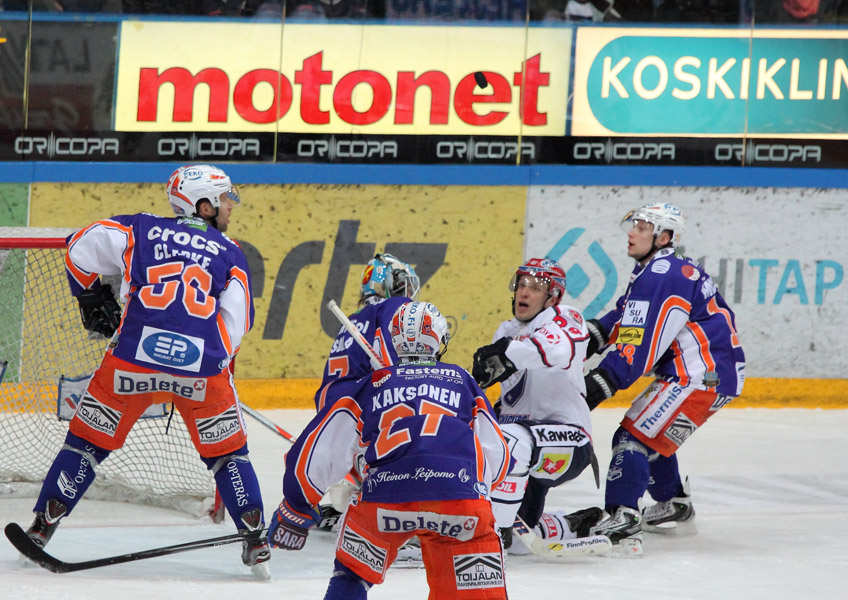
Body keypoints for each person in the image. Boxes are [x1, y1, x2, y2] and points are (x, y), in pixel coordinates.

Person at [23, 165, 270, 578]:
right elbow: (237, 321)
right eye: (224, 198)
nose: (230, 206)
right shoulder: (230, 251)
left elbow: (79, 246)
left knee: (85, 445)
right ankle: (256, 538)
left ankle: (43, 526)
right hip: (202, 375)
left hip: (131, 363)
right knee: (228, 457)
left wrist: (89, 296)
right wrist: (212, 362)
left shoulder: (139, 228)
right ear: (204, 205)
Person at [267, 301, 511, 600]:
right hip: (459, 500)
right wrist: (470, 488)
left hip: (385, 501)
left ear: (393, 340)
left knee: (351, 575)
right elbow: (497, 454)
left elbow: (322, 448)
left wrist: (296, 506)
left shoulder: (370, 384)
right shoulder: (463, 381)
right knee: (473, 592)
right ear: (442, 341)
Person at [581, 203, 746, 555]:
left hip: (698, 376)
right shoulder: (658, 270)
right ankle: (674, 504)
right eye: (634, 225)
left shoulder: (662, 273)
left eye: (642, 227)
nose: (632, 232)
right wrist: (584, 338)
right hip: (711, 375)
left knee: (632, 437)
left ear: (664, 237)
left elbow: (640, 341)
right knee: (650, 435)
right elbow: (625, 315)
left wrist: (602, 381)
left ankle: (622, 516)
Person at [471, 258, 602, 554]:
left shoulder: (564, 317)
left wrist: (505, 355)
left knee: (513, 437)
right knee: (520, 545)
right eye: (522, 284)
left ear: (552, 297)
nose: (524, 292)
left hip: (569, 441)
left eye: (535, 287)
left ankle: (494, 535)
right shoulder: (504, 332)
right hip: (521, 454)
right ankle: (571, 523)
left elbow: (554, 350)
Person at [313, 253, 420, 530]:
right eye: (405, 286)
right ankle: (388, 508)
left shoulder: (355, 319)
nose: (409, 295)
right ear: (393, 286)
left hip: (332, 418)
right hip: (362, 420)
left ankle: (356, 494)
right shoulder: (394, 309)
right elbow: (395, 372)